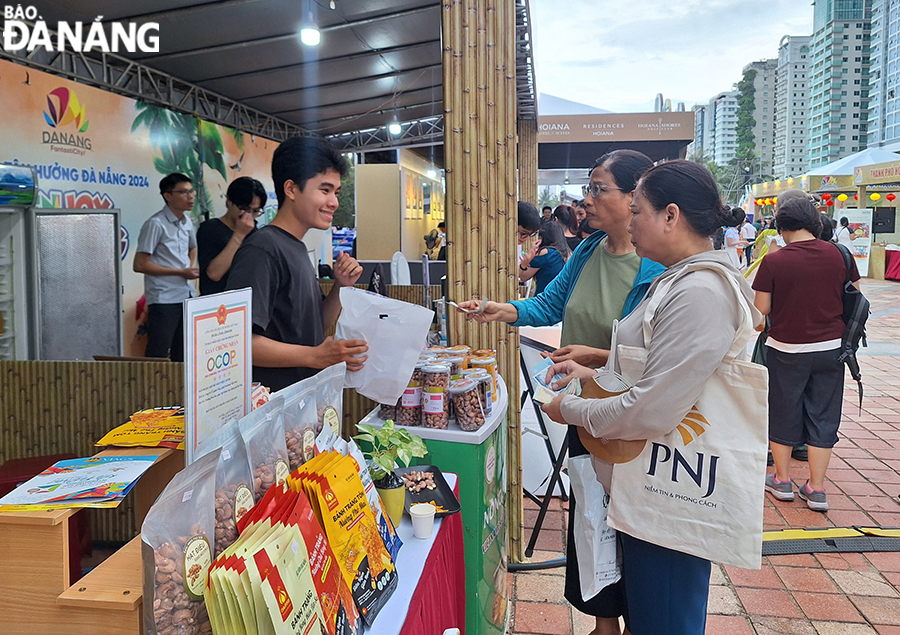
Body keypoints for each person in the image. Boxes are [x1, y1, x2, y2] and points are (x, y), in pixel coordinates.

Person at [539, 159, 761, 635]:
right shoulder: (680, 279)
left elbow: (652, 407)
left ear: (671, 216)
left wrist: (570, 408)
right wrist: (595, 369)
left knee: (662, 614)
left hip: (671, 485)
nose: (631, 223)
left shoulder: (699, 290)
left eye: (638, 211)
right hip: (653, 483)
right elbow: (653, 374)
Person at [459, 149, 663, 635]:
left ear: (635, 196)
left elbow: (656, 351)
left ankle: (638, 617)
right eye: (588, 188)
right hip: (583, 406)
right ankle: (603, 623)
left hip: (632, 413)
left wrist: (598, 357)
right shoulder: (590, 250)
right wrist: (500, 309)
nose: (585, 200)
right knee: (590, 513)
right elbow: (549, 304)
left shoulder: (657, 266)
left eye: (598, 188)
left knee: (632, 518)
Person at [225, 135, 368, 392]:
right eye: (324, 190)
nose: (334, 201)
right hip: (270, 409)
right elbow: (238, 344)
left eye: (336, 192)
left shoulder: (297, 246)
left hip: (300, 404)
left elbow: (311, 326)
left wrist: (341, 287)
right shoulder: (263, 249)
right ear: (291, 189)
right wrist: (315, 356)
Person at [754, 190, 859, 512]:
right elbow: (855, 297)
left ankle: (782, 481)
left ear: (780, 225)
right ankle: (816, 488)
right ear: (815, 223)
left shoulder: (774, 260)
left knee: (783, 411)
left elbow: (761, 315)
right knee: (823, 415)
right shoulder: (839, 254)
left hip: (785, 349)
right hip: (832, 350)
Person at [133, 173, 199, 362]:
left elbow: (192, 247)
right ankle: (151, 390)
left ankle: (178, 390)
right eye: (184, 192)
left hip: (185, 295)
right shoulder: (156, 224)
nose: (191, 197)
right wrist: (180, 272)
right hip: (164, 298)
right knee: (159, 351)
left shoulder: (186, 222)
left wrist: (189, 265)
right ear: (167, 195)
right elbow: (140, 264)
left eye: (191, 191)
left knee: (183, 352)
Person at [197, 177, 266, 296]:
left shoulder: (254, 232)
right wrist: (239, 235)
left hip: (246, 301)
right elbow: (214, 274)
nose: (249, 216)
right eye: (245, 209)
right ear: (229, 201)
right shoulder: (210, 229)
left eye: (255, 211)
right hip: (218, 305)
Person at [518, 220, 570, 294]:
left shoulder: (545, 253)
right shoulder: (568, 253)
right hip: (562, 298)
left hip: (545, 299)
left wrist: (525, 263)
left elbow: (523, 277)